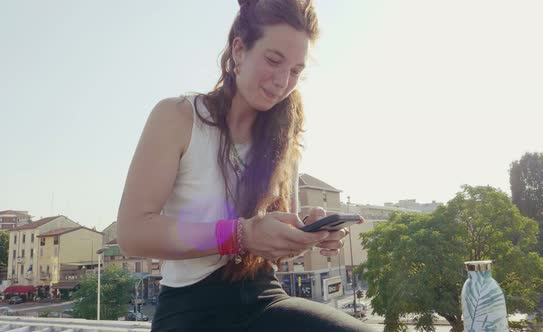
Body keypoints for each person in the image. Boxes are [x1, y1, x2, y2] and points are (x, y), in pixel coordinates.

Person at [117, 0, 371, 331]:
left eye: (296, 70)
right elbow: (133, 233)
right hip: (190, 312)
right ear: (238, 50)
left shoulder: (284, 141)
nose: (283, 81)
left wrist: (306, 233)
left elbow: (276, 252)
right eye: (273, 60)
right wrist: (241, 235)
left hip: (266, 299)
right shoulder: (178, 117)